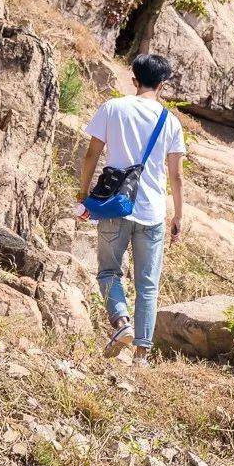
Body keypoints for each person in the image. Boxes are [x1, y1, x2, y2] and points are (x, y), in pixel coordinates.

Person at [75, 52, 186, 365]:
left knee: (109, 271)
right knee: (147, 284)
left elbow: (91, 155)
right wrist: (178, 215)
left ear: (134, 79)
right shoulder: (171, 122)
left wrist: (83, 195)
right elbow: (176, 175)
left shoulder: (113, 108)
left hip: (115, 206)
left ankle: (121, 323)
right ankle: (142, 354)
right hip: (152, 212)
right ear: (163, 84)